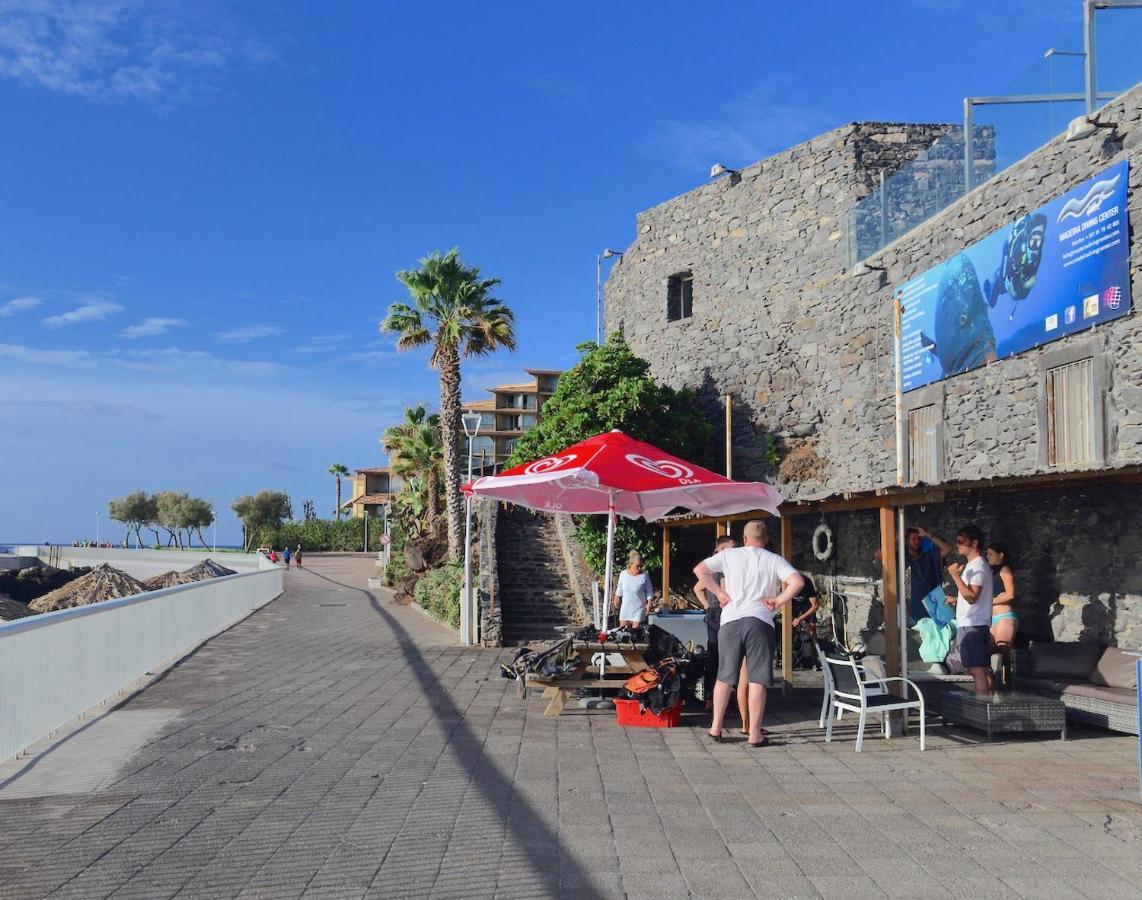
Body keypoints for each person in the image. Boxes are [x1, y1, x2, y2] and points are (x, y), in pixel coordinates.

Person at [694, 520, 803, 747]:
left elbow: (700, 570)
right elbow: (797, 582)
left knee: (724, 677)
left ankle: (715, 728)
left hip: (731, 620)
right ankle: (754, 733)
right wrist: (779, 600)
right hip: (760, 621)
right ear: (766, 540)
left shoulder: (730, 555)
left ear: (744, 539)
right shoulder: (774, 559)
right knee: (757, 680)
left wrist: (719, 593)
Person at [946, 525, 994, 695]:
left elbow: (972, 597)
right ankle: (988, 706)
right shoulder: (974, 565)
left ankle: (983, 709)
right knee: (980, 669)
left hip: (973, 624)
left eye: (961, 541)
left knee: (977, 670)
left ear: (974, 543)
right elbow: (972, 597)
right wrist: (957, 600)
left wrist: (955, 577)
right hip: (974, 622)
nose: (957, 544)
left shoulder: (978, 566)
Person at [695, 534, 735, 710]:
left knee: (715, 656)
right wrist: (712, 605)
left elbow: (697, 589)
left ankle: (711, 699)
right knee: (723, 656)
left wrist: (707, 606)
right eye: (732, 548)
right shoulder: (721, 568)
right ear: (722, 549)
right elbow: (725, 590)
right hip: (720, 613)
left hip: (713, 613)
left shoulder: (711, 567)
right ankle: (719, 699)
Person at [987, 542, 1018, 653]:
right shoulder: (990, 572)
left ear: (1000, 555)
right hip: (991, 619)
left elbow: (1010, 594)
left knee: (1003, 650)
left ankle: (1007, 671)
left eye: (990, 554)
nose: (987, 557)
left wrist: (989, 602)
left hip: (1003, 617)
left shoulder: (1005, 569)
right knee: (988, 652)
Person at [613, 550, 653, 628]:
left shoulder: (644, 576)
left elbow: (649, 590)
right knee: (622, 631)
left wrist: (649, 602)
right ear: (631, 564)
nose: (639, 568)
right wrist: (616, 598)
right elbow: (620, 588)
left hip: (639, 608)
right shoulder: (623, 574)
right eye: (637, 566)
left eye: (641, 566)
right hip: (626, 607)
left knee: (635, 633)